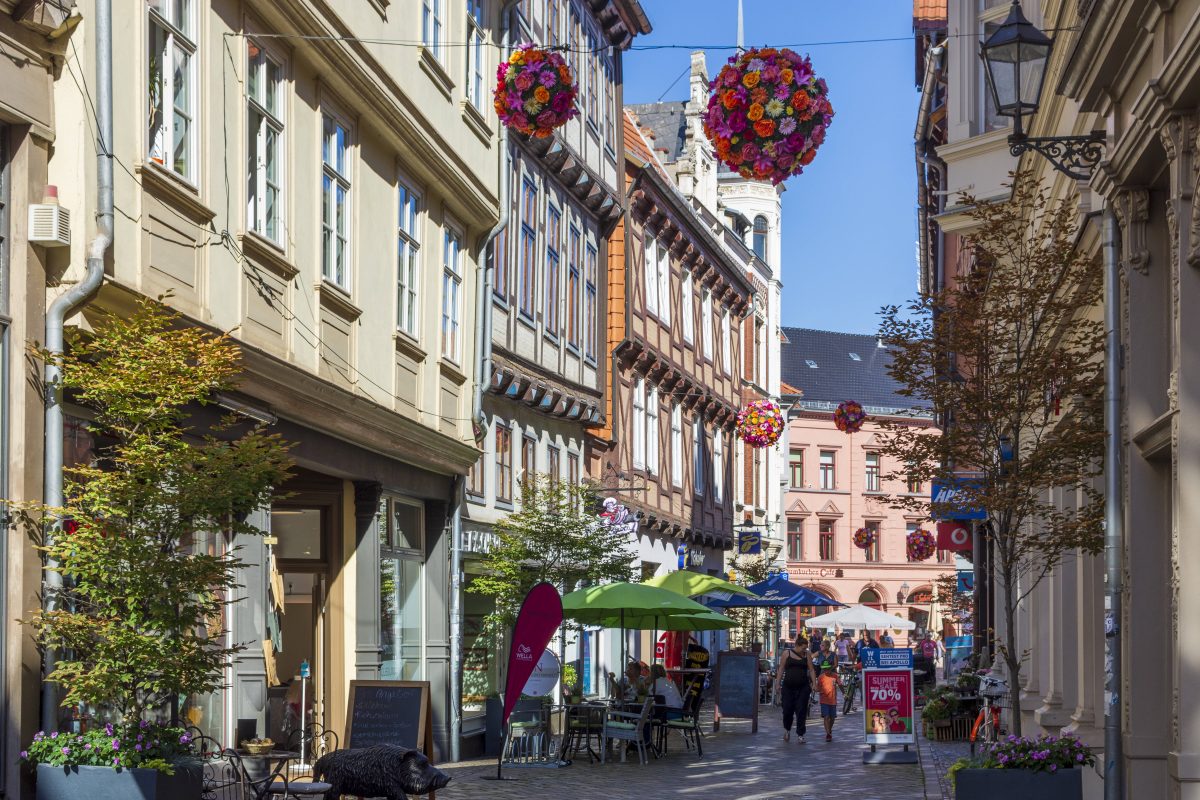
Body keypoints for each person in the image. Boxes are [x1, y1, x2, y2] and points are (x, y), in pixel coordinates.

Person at [773, 637, 816, 743]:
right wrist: (777, 683)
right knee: (787, 710)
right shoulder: (786, 653)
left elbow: (811, 670)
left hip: (803, 687)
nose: (804, 650)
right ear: (797, 645)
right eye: (803, 648)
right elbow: (781, 668)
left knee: (801, 710)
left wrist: (814, 683)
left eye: (806, 648)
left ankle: (800, 734)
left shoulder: (807, 655)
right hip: (788, 687)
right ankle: (787, 729)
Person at [816, 657, 839, 742]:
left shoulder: (835, 676)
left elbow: (840, 684)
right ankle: (828, 733)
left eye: (828, 669)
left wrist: (844, 693)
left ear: (831, 668)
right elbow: (817, 688)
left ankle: (829, 729)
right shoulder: (821, 677)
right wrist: (814, 688)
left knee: (832, 718)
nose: (827, 671)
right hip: (824, 700)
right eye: (825, 669)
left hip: (833, 700)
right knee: (826, 716)